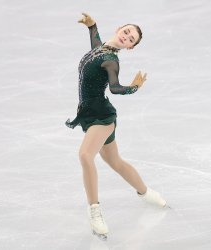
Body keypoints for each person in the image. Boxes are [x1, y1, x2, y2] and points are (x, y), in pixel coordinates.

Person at [65, 13, 167, 240]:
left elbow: (114, 88)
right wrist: (92, 25)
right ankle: (146, 192)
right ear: (120, 28)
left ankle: (95, 211)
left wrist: (133, 88)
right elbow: (95, 42)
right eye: (127, 32)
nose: (127, 37)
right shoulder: (100, 49)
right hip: (88, 114)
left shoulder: (111, 60)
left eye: (132, 40)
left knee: (85, 155)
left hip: (102, 117)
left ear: (130, 48)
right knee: (115, 162)